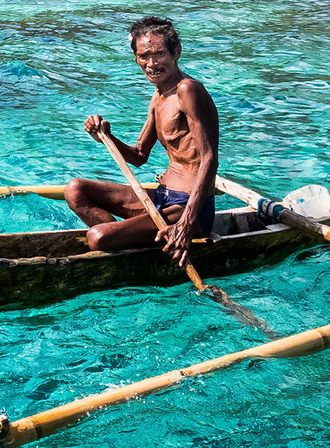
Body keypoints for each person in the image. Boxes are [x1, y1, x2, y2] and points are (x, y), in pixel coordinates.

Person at [65, 16, 220, 267]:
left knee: (96, 237)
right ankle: (126, 242)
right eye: (143, 56)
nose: (151, 63)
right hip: (162, 197)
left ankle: (117, 241)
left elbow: (209, 159)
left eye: (159, 54)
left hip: (189, 208)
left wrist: (186, 223)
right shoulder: (159, 94)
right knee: (75, 189)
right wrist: (105, 136)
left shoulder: (187, 90)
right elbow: (139, 155)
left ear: (176, 52)